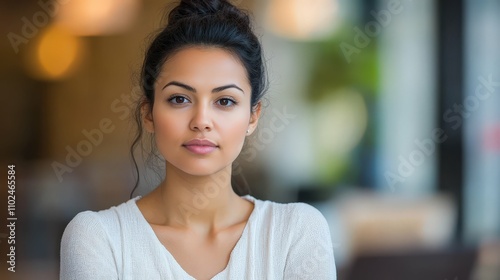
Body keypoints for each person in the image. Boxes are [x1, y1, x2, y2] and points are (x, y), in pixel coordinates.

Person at [60, 0, 336, 279]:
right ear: (149, 114)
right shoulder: (98, 238)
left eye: (225, 101)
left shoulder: (296, 233)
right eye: (179, 99)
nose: (201, 120)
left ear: (253, 117)